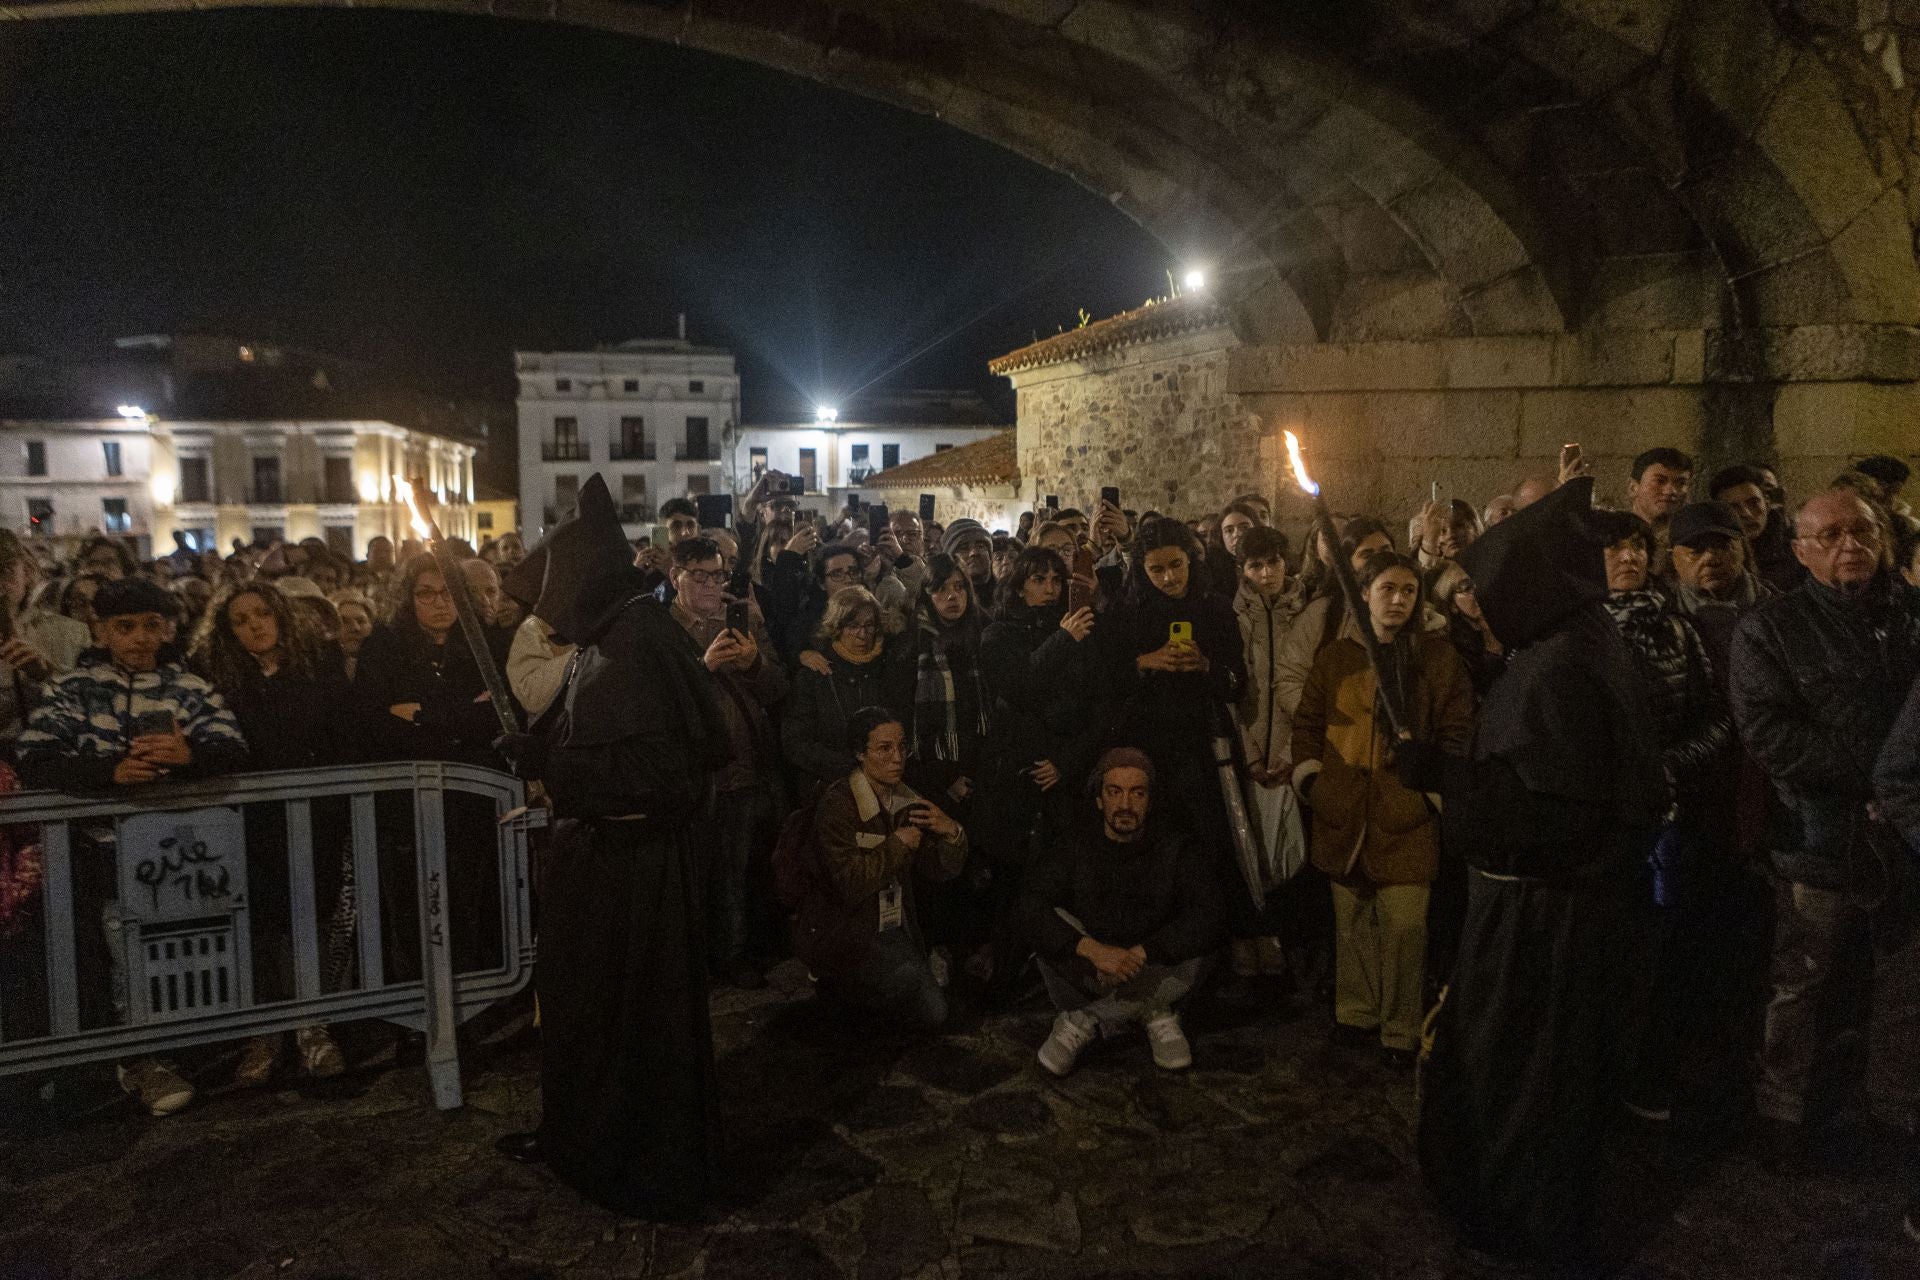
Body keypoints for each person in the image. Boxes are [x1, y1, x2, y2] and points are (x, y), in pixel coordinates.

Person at [1418, 477, 1668, 1269]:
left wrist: (1442, 776)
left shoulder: (1557, 670)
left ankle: (1519, 1220)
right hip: (1564, 911)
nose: (1482, 616)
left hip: (1541, 923)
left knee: (1523, 1076)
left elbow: (1548, 818)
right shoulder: (1580, 644)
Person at [496, 473, 730, 1218]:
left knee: (630, 1022)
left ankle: (630, 1160)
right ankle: (574, 1136)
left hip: (637, 874)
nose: (550, 617)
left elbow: (661, 773)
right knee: (579, 1010)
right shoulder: (615, 636)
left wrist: (549, 766)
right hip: (600, 865)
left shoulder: (637, 641)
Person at [1729, 488, 1920, 1165]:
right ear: (1802, 549)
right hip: (1817, 835)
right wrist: (1879, 776)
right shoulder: (1770, 629)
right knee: (1803, 976)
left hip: (1899, 839)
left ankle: (1866, 1107)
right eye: (1831, 535)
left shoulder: (1910, 616)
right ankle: (1782, 1113)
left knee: (1884, 981)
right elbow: (1770, 734)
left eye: (1862, 532)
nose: (1850, 546)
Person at [16, 576, 251, 1117]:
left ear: (167, 627)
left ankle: (180, 1049)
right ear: (101, 629)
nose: (141, 637)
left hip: (177, 851)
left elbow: (233, 746)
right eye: (125, 626)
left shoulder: (190, 686)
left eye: (152, 625)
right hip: (101, 851)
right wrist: (110, 771)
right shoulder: (74, 688)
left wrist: (190, 754)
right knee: (119, 950)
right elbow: (37, 754)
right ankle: (138, 1058)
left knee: (175, 949)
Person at [1291, 551, 1473, 1064]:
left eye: (1409, 591)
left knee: (1406, 928)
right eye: (1387, 589)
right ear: (1366, 593)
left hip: (1406, 814)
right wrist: (1315, 783)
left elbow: (1457, 730)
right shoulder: (1337, 657)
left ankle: (1399, 1027)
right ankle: (1356, 1013)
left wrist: (1431, 788)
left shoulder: (1436, 658)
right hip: (1344, 810)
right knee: (1352, 922)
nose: (1398, 600)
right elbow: (1308, 723)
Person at [1591, 508, 1734, 1125]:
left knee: (1660, 948)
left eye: (1637, 548)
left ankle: (1646, 1072)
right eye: (1614, 549)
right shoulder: (1575, 633)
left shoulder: (1678, 630)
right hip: (1598, 822)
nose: (1628, 559)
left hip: (1667, 819)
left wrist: (1671, 765)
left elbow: (1718, 719)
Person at [190, 580, 353, 1083]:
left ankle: (312, 1028)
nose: (255, 625)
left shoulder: (318, 666)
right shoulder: (217, 680)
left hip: (312, 816)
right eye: (240, 620)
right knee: (257, 928)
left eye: (262, 613)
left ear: (281, 615)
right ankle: (263, 1034)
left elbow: (339, 731)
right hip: (247, 822)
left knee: (309, 922)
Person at [353, 553, 519, 977]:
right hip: (407, 804)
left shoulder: (483, 644)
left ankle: (467, 1004)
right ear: (409, 599)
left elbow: (496, 716)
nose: (439, 603)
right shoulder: (385, 648)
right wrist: (462, 714)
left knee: (468, 901)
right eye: (426, 594)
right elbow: (377, 723)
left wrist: (424, 714)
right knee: (413, 907)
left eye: (448, 593)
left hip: (472, 801)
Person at [1019, 749, 1223, 1075]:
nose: (1125, 805)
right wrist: (1092, 950)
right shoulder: (1075, 844)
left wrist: (1142, 954)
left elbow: (1209, 913)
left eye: (1136, 793)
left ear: (1150, 801)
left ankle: (1088, 1019)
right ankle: (1152, 1013)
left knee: (1204, 940)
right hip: (1093, 971)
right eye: (1114, 792)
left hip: (1153, 969)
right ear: (1100, 799)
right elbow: (1031, 903)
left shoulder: (1176, 847)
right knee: (1046, 919)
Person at [1097, 516, 1250, 940]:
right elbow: (1101, 682)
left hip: (1205, 750)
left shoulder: (1214, 609)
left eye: (1176, 566)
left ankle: (1221, 941)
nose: (1169, 578)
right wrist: (1145, 662)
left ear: (1190, 562)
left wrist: (1205, 665)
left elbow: (1236, 681)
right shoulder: (1127, 615)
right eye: (1157, 569)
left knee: (1211, 846)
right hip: (1146, 747)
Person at [797, 707, 966, 1030]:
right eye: (884, 749)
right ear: (861, 754)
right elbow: (850, 883)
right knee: (908, 992)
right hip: (845, 928)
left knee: (933, 1011)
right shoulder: (839, 805)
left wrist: (951, 833)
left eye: (902, 747)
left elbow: (938, 870)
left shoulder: (907, 800)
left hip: (891, 924)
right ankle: (837, 984)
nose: (897, 758)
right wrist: (897, 845)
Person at [668, 537, 787, 990]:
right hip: (692, 775)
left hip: (744, 768)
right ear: (675, 577)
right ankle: (695, 961)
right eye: (698, 575)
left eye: (717, 575)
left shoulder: (745, 620)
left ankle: (735, 954)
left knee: (738, 872)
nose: (710, 585)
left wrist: (755, 662)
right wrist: (704, 670)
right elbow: (659, 701)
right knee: (693, 874)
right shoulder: (662, 630)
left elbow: (777, 690)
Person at [1231, 525, 1307, 978]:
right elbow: (1235, 694)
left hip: (1292, 752)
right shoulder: (1235, 616)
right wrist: (1252, 753)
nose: (1266, 573)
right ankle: (1258, 937)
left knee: (1291, 853)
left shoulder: (1307, 610)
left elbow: (1310, 686)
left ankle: (1287, 941)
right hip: (1252, 749)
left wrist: (1292, 752)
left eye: (1274, 562)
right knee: (1252, 850)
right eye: (1256, 565)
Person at [781, 586, 907, 795]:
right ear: (836, 627)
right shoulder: (815, 674)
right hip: (833, 789)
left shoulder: (890, 670)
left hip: (888, 786)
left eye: (869, 625)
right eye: (853, 625)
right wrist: (853, 768)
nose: (862, 634)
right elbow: (796, 742)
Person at [0, 530, 89, 751]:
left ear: (26, 571)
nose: (2, 582)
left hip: (52, 757)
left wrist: (46, 676)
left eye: (8, 570)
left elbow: (92, 706)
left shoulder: (70, 632)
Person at [1710, 463, 1804, 595]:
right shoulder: (1712, 556)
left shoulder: (1799, 551)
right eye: (1734, 507)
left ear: (1767, 502)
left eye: (1753, 503)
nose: (1747, 513)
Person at [942, 519, 997, 612]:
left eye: (980, 546)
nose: (974, 553)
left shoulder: (1009, 593)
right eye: (964, 548)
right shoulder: (944, 599)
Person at [329, 590, 376, 680]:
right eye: (345, 621)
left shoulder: (384, 667)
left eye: (361, 621)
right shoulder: (317, 669)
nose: (356, 628)